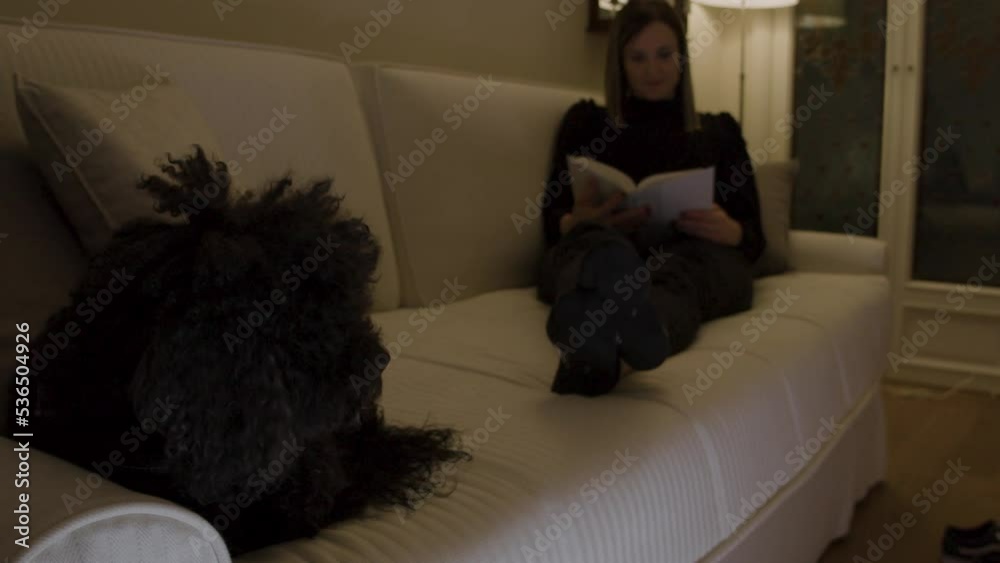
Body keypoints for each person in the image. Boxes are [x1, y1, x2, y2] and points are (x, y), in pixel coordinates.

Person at [538, 0, 765, 397]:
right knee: (593, 250)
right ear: (620, 63)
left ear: (682, 58)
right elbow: (550, 221)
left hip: (689, 254)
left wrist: (728, 230)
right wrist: (579, 220)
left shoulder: (719, 133)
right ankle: (608, 334)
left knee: (682, 271)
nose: (653, 69)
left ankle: (613, 349)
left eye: (664, 55)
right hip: (605, 244)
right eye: (638, 57)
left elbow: (754, 239)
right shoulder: (586, 123)